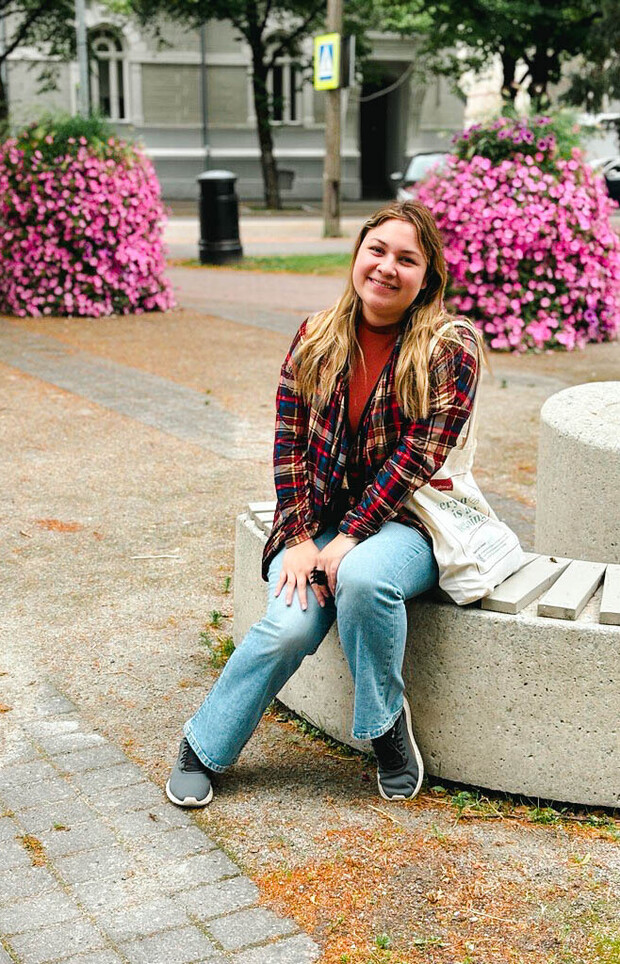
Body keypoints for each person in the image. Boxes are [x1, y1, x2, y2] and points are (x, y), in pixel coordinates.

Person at [166, 200, 480, 808]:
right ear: (358, 256)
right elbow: (288, 443)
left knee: (362, 578)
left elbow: (420, 455)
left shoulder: (450, 346)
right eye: (377, 250)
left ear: (428, 277)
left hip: (409, 521)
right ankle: (204, 746)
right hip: (318, 522)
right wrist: (301, 537)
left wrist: (351, 536)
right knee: (287, 627)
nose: (387, 268)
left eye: (407, 259)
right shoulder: (316, 335)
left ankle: (385, 727)